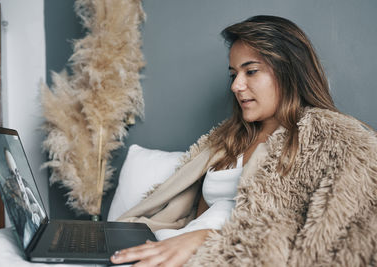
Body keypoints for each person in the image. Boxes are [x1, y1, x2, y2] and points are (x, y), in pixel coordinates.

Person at [110, 15, 377, 266]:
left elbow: (314, 231)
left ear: (289, 72)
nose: (236, 86)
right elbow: (199, 218)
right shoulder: (226, 141)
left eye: (250, 71)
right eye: (233, 74)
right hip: (176, 251)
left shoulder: (327, 141)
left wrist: (205, 239)